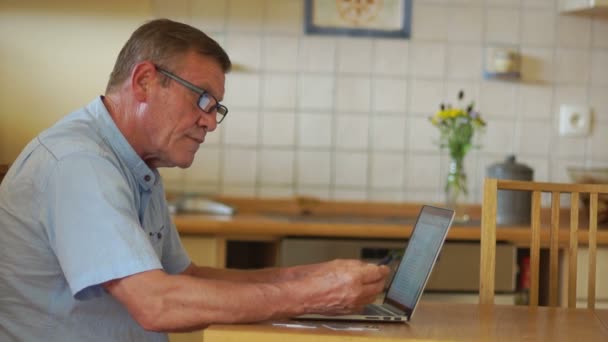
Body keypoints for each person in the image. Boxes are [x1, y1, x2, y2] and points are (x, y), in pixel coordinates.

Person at [0, 19, 389, 341]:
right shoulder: (79, 164)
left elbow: (185, 279)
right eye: (202, 99)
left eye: (215, 107)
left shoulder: (136, 165)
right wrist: (310, 295)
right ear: (145, 82)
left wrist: (304, 276)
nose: (209, 121)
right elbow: (157, 303)